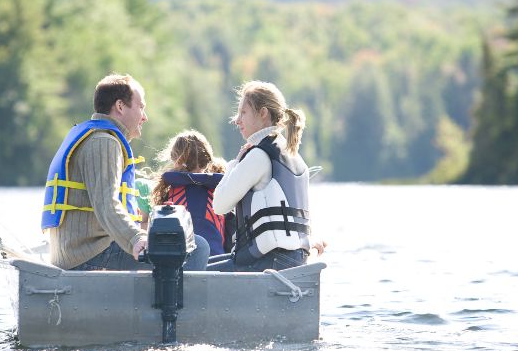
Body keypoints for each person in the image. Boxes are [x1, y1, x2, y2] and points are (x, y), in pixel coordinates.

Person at [41, 73, 209, 271]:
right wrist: (136, 238)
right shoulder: (104, 143)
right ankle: (177, 303)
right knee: (197, 247)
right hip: (91, 254)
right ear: (120, 106)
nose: (145, 117)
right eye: (141, 107)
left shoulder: (95, 137)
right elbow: (106, 204)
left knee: (175, 246)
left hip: (78, 251)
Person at [207, 81, 324, 272]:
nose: (237, 120)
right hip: (294, 260)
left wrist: (236, 161)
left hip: (267, 263)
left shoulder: (258, 156)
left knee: (187, 277)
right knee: (202, 267)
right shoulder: (293, 155)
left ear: (263, 113)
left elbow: (219, 205)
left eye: (243, 112)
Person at [150, 129, 233, 255]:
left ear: (175, 158)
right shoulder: (219, 189)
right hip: (216, 263)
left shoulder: (170, 190)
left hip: (180, 264)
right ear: (207, 159)